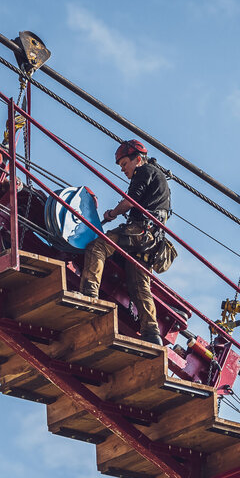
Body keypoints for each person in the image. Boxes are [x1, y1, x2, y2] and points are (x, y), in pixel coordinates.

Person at [79, 139, 170, 345]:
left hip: (139, 230)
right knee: (138, 283)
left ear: (138, 159)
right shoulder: (158, 177)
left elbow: (130, 201)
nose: (123, 170)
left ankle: (89, 293)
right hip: (151, 240)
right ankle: (152, 332)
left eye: (124, 164)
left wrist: (112, 213)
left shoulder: (144, 172)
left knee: (98, 245)